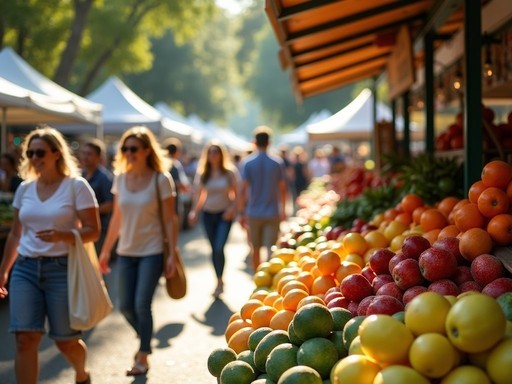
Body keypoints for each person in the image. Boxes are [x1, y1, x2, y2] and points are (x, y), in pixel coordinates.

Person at [0, 126, 100, 384]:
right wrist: (4, 271)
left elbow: (93, 230)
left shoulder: (77, 186)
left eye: (40, 152)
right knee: (24, 339)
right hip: (25, 268)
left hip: (62, 269)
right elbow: (15, 234)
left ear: (56, 153)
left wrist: (63, 235)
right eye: (30, 153)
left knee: (65, 341)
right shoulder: (24, 189)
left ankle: (81, 373)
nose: (34, 157)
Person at [99, 126, 178, 377]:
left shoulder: (161, 179)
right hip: (125, 251)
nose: (129, 153)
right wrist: (105, 251)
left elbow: (169, 220)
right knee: (125, 307)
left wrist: (172, 253)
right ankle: (145, 336)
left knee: (142, 304)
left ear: (146, 150)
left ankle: (143, 355)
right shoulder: (120, 178)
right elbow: (116, 219)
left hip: (152, 251)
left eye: (133, 148)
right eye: (125, 148)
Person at [188, 141, 239, 299]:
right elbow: (199, 195)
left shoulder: (229, 173)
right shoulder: (204, 173)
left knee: (219, 247)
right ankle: (218, 280)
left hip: (224, 215)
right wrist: (194, 212)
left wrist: (232, 209)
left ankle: (220, 281)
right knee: (213, 249)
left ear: (221, 154)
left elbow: (238, 195)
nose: (213, 155)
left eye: (216, 152)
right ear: (207, 155)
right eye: (211, 152)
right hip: (208, 215)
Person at [238, 126, 287, 272]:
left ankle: (258, 277)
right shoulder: (277, 163)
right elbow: (283, 189)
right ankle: (270, 277)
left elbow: (242, 189)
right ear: (269, 143)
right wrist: (283, 210)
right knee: (271, 249)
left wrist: (241, 212)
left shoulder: (247, 163)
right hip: (272, 212)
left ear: (254, 142)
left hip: (253, 212)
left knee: (256, 248)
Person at [80, 138, 114, 255]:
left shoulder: (105, 178)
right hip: (81, 229)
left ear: (98, 157)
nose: (85, 157)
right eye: (84, 153)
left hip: (99, 230)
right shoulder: (80, 175)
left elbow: (110, 204)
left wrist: (88, 212)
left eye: (89, 154)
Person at [164, 138, 191, 228]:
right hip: (173, 201)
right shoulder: (175, 165)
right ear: (176, 152)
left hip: (161, 203)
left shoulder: (161, 164)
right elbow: (180, 184)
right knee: (174, 225)